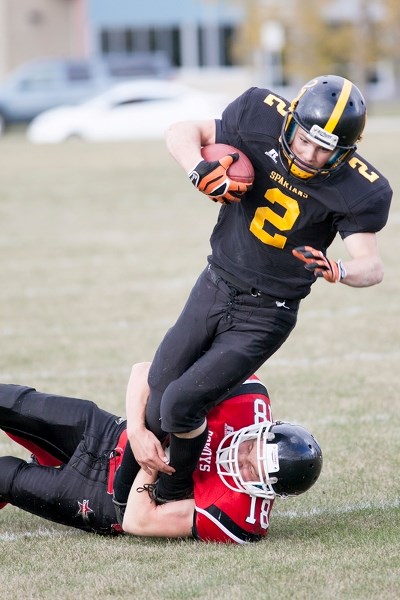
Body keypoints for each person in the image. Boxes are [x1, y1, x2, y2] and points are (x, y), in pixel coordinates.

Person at [133, 74, 391, 504]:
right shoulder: (258, 112)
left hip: (266, 313)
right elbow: (181, 131)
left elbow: (373, 267)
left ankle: (176, 495)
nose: (308, 154)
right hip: (215, 281)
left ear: (346, 153)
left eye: (324, 149)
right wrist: (197, 169)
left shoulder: (361, 189)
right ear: (289, 121)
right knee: (158, 392)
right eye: (304, 140)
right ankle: (127, 486)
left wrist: (340, 269)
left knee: (180, 404)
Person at [0, 363, 322, 543]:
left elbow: (137, 521)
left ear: (268, 491)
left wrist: (151, 466)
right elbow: (143, 372)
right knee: (9, 401)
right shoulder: (246, 399)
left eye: (253, 470)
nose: (240, 459)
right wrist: (139, 432)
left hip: (105, 498)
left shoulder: (239, 515)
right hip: (109, 432)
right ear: (261, 428)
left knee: (4, 475)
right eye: (251, 449)